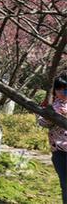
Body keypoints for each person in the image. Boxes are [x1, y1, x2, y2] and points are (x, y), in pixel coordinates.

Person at [38, 73, 67, 204]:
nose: (62, 92)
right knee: (66, 185)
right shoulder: (50, 106)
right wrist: (54, 114)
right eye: (58, 89)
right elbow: (42, 122)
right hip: (61, 152)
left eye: (65, 88)